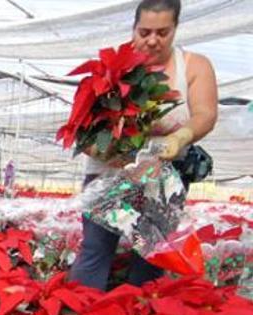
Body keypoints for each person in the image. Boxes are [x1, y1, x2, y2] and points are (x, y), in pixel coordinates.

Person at [68, 0, 218, 291]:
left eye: (162, 32)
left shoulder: (193, 65)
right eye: (145, 31)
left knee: (150, 256)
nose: (152, 40)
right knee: (96, 249)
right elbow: (82, 127)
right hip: (109, 177)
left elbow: (206, 114)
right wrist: (103, 148)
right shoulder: (112, 68)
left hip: (161, 179)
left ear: (175, 29)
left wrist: (180, 137)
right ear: (133, 28)